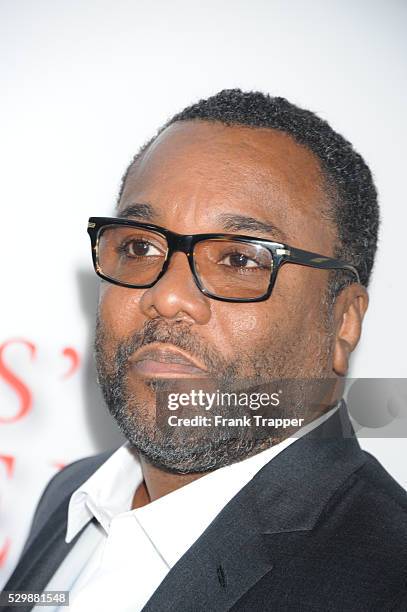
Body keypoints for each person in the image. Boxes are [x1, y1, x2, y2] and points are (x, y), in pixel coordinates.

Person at [4, 89, 407, 612]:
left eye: (240, 260)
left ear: (343, 322)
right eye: (139, 247)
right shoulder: (72, 494)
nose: (167, 296)